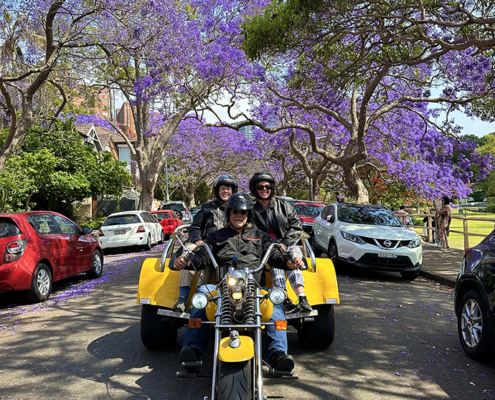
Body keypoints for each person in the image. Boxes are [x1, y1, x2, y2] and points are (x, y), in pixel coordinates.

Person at [173, 192, 304, 372]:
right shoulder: (216, 236)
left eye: (243, 212)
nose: (239, 215)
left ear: (248, 214)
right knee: (202, 295)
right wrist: (187, 262)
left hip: (254, 287)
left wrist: (289, 262)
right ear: (229, 214)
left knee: (276, 302)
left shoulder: (260, 236)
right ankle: (194, 349)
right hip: (221, 287)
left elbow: (274, 255)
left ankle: (277, 354)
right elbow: (202, 257)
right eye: (235, 212)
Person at [172, 175, 238, 312]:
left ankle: (200, 298)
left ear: (233, 191)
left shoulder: (237, 209)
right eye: (223, 189)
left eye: (228, 189)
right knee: (188, 254)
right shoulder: (207, 208)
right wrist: (199, 241)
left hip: (223, 246)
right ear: (217, 191)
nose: (225, 191)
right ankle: (184, 299)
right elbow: (194, 227)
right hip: (204, 244)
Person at [249, 172, 312, 313]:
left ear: (272, 187)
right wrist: (276, 246)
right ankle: (283, 298)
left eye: (267, 186)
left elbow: (296, 226)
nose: (264, 189)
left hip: (287, 244)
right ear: (254, 189)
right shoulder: (251, 211)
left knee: (293, 255)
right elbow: (254, 232)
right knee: (277, 260)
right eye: (260, 187)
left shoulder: (283, 205)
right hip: (266, 246)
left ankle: (302, 297)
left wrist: (284, 243)